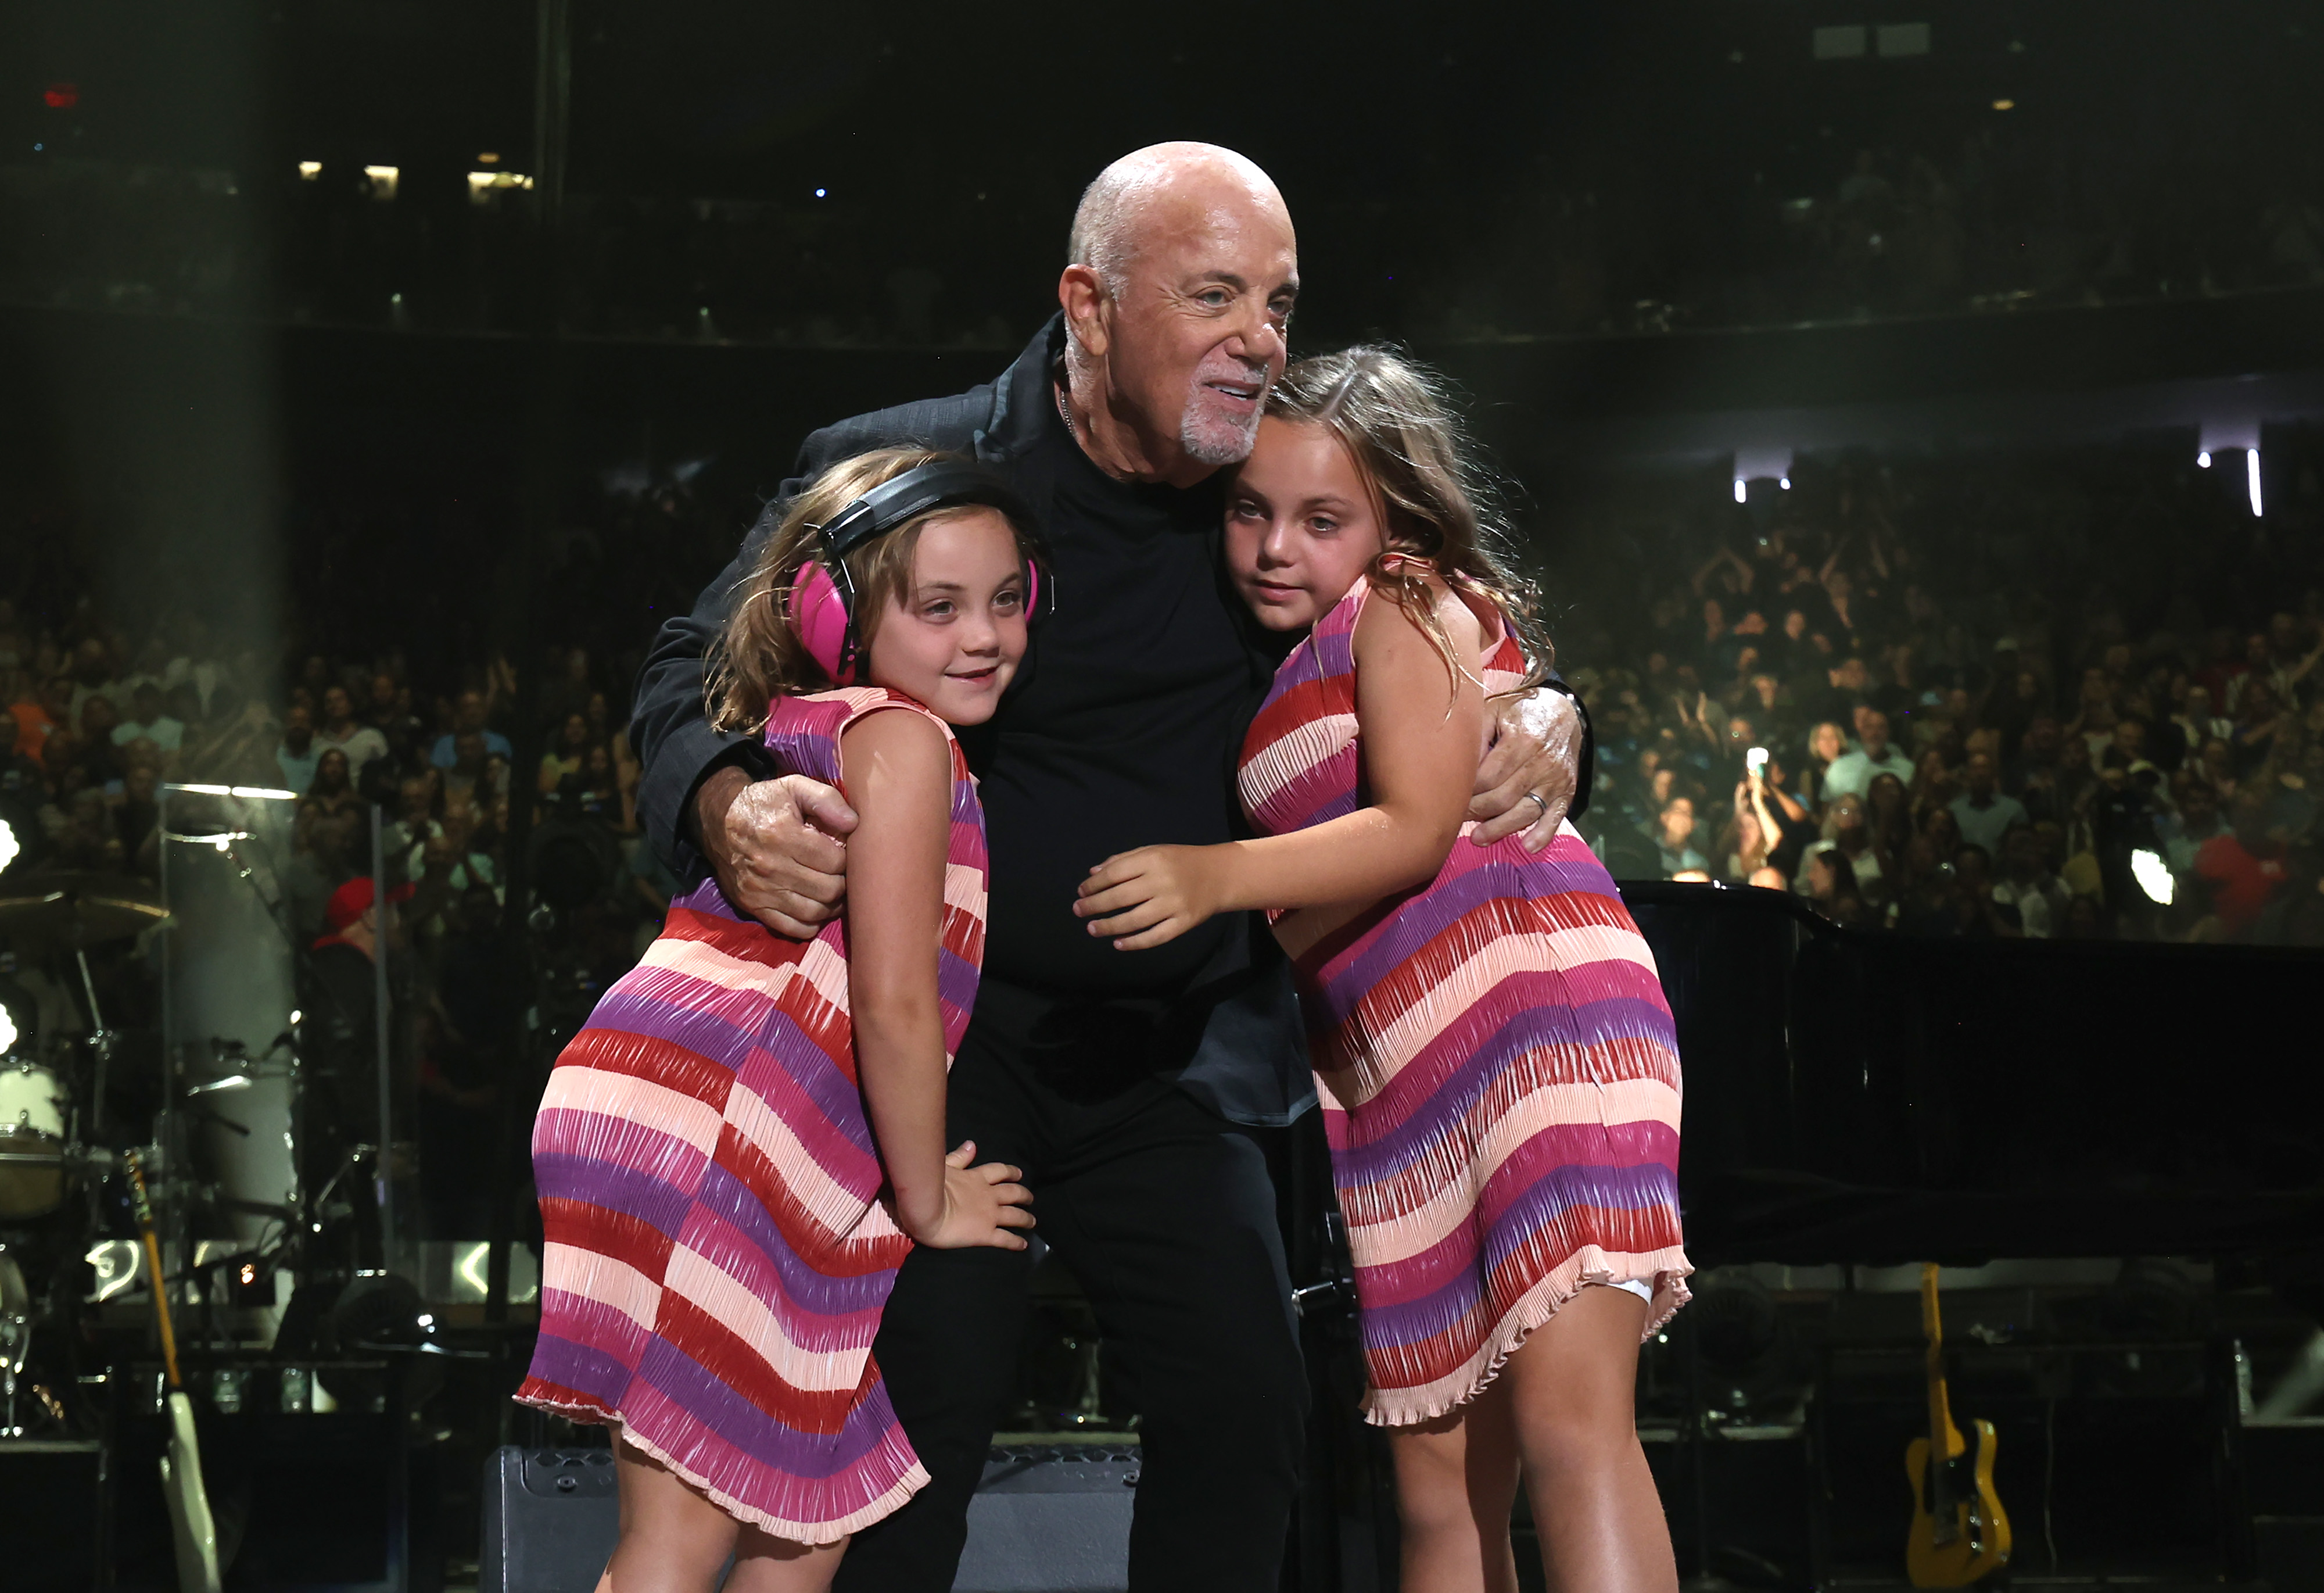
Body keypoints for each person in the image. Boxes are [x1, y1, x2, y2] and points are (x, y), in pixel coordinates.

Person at [625, 144, 1588, 1591]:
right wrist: (716, 802)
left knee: (1247, 1407)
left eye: (1278, 299)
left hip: (1173, 1056)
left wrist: (1556, 717)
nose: (1261, 338)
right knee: (914, 1416)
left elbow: (1446, 609)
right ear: (1088, 304)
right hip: (946, 1043)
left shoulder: (1269, 497)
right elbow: (686, 666)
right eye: (1214, 295)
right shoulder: (910, 466)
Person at [1074, 349, 1685, 1593]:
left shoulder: (1403, 597)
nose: (1273, 546)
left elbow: (1411, 830)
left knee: (1573, 1436)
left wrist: (1207, 875)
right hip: (1398, 1080)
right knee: (1437, 1500)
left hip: (1531, 1023)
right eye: (1250, 509)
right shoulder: (1292, 648)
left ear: (1392, 520)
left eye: (1320, 519)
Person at [517, 452, 1042, 1591]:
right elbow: (896, 1005)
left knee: (802, 1527)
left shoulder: (813, 724)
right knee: (675, 1541)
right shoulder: (908, 743)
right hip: (719, 1142)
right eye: (938, 605)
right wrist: (928, 1199)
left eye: (1007, 598)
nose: (985, 632)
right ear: (831, 612)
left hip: (681, 1117)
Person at [1948, 750, 2029, 857]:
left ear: (1994, 773)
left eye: (1985, 768)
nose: (1980, 773)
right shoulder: (1954, 810)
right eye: (1975, 768)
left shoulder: (2013, 810)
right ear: (1968, 774)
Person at [1820, 709, 1914, 800]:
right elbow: (1827, 808)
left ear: (1888, 732)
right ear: (1862, 732)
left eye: (1881, 728)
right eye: (1869, 727)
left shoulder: (1907, 769)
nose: (1875, 733)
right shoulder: (1839, 767)